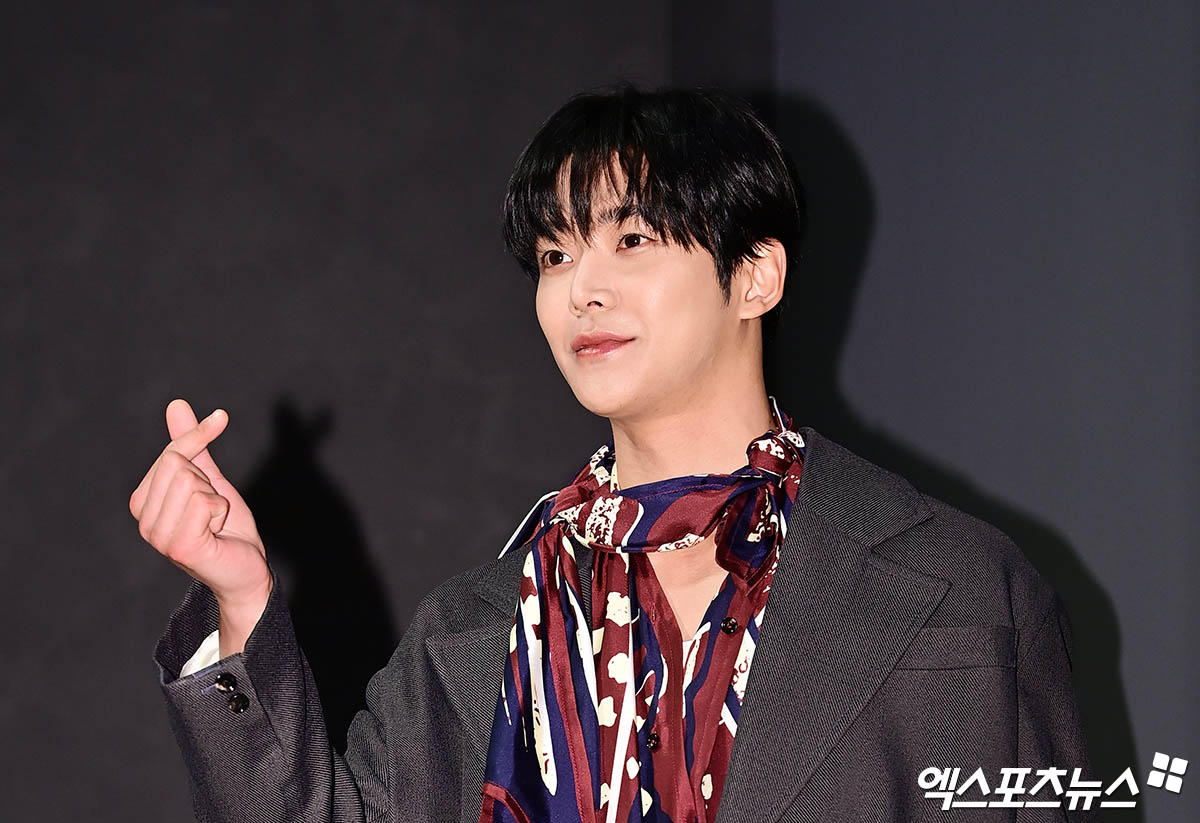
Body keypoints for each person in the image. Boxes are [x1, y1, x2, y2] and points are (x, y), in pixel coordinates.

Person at [131, 86, 1094, 822]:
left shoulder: (964, 587)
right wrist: (241, 599)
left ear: (755, 276)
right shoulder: (477, 626)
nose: (580, 288)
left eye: (630, 239)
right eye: (555, 254)